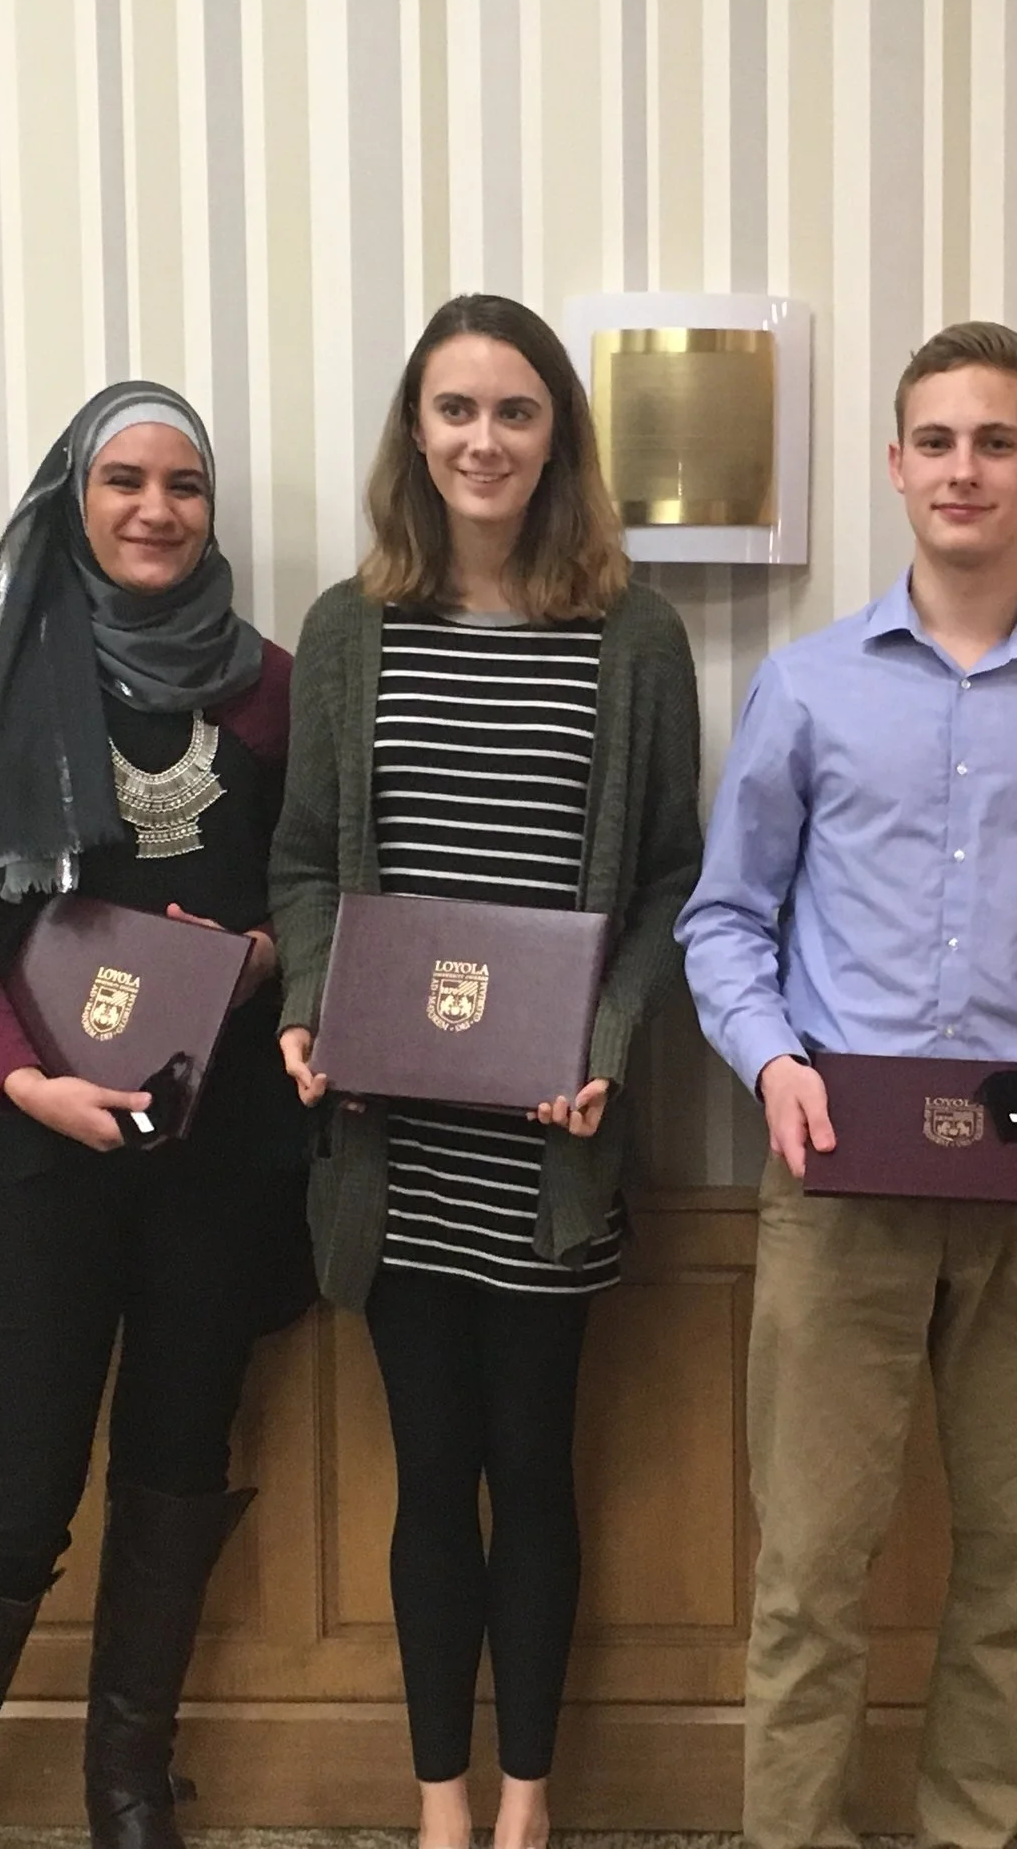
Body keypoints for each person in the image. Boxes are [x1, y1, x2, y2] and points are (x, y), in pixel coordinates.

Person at [677, 321, 1017, 1849]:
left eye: (994, 440)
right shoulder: (807, 687)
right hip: (838, 1175)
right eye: (934, 439)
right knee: (809, 1573)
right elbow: (725, 917)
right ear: (896, 464)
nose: (962, 467)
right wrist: (769, 1060)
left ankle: (974, 1835)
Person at [268, 293, 703, 1849]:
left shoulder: (633, 637)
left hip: (546, 1141)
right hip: (393, 1146)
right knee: (429, 1475)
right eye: (454, 410)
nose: (483, 440)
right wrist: (308, 1008)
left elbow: (666, 881)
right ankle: (439, 1800)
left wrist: (601, 1050)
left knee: (534, 1469)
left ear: (560, 439)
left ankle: (530, 1800)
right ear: (415, 436)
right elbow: (308, 860)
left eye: (515, 411)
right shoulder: (349, 628)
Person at [0, 382, 313, 1849]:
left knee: (181, 1468)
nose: (154, 508)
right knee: (20, 1484)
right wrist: (26, 1081)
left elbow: (316, 891)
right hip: (32, 1140)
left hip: (216, 1147)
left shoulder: (270, 688)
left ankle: (129, 1784)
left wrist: (261, 956)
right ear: (73, 495)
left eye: (183, 484)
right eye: (123, 479)